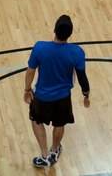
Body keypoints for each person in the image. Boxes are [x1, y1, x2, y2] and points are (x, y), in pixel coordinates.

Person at [24, 15, 90, 168]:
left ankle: (44, 155)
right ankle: (54, 151)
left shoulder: (40, 47)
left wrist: (27, 89)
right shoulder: (77, 52)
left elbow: (30, 71)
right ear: (70, 33)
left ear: (54, 30)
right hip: (63, 98)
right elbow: (82, 78)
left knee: (36, 120)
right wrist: (86, 95)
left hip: (42, 96)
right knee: (60, 123)